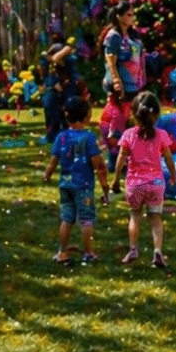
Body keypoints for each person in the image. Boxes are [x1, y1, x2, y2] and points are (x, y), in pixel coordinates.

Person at [43, 96, 111, 265]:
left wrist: (47, 175)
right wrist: (104, 185)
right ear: (87, 116)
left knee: (67, 218)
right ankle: (88, 253)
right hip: (84, 186)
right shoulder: (88, 138)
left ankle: (62, 252)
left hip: (65, 184)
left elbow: (53, 161)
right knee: (86, 219)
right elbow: (98, 165)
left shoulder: (61, 137)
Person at [113, 91, 176, 268]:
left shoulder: (128, 135)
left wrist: (116, 178)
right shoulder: (162, 135)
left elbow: (120, 158)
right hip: (156, 183)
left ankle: (133, 249)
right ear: (156, 114)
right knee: (155, 218)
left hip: (135, 184)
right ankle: (157, 251)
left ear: (134, 114)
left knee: (135, 215)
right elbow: (169, 158)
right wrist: (173, 175)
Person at [100, 2, 145, 116]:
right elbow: (111, 61)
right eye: (128, 15)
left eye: (132, 15)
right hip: (122, 85)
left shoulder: (133, 35)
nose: (132, 18)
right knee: (119, 117)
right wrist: (116, 81)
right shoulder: (114, 36)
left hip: (133, 84)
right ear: (119, 16)